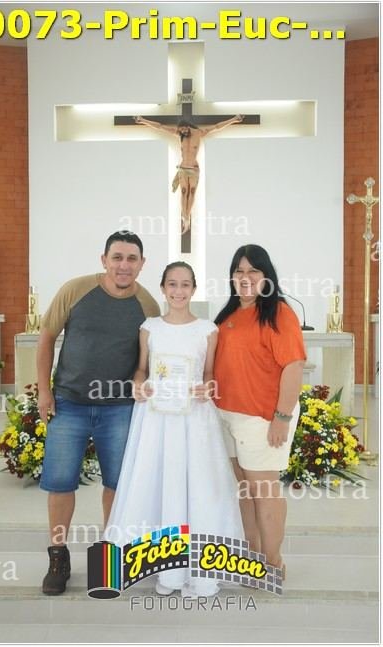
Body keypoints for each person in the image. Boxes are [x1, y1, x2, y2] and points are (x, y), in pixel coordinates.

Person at [104, 261, 243, 598]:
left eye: (185, 285)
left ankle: (198, 565)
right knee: (155, 481)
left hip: (194, 417)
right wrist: (139, 384)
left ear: (193, 289)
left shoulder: (208, 330)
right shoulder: (149, 327)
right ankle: (161, 565)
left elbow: (209, 374)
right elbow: (141, 369)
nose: (178, 291)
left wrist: (207, 387)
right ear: (163, 288)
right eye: (172, 284)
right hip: (156, 417)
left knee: (198, 485)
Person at [37, 231, 160, 595]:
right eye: (117, 257)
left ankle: (109, 557)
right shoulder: (75, 290)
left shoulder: (148, 306)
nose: (124, 265)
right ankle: (58, 557)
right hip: (69, 404)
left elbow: (150, 361)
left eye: (132, 258)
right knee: (60, 483)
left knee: (117, 485)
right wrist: (44, 390)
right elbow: (46, 338)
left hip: (119, 409)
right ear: (104, 260)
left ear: (142, 263)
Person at [213, 244, 306, 578]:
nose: (245, 277)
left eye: (253, 270)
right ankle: (253, 559)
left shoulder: (278, 313)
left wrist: (281, 417)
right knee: (245, 491)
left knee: (264, 492)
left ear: (266, 276)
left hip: (262, 417)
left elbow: (293, 366)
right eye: (239, 271)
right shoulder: (228, 315)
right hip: (227, 417)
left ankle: (274, 563)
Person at [134, 115, 244, 233]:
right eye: (181, 130)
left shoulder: (199, 133)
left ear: (188, 126)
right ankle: (185, 218)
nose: (182, 132)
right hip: (183, 168)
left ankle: (187, 217)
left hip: (193, 169)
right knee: (183, 191)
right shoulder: (179, 133)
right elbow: (160, 127)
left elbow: (217, 127)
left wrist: (234, 119)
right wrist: (142, 120)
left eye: (184, 129)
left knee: (191, 192)